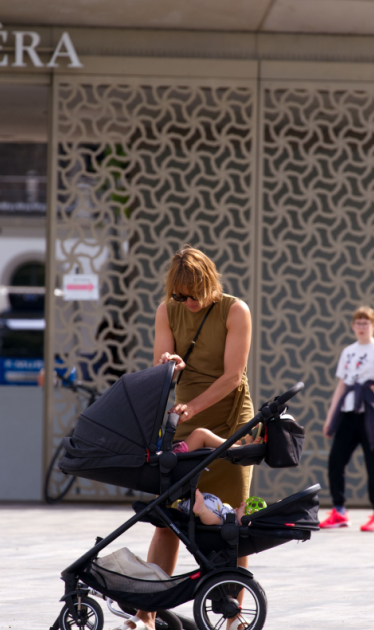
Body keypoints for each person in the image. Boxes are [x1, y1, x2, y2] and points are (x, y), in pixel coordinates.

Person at [129, 245, 254, 630]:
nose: (189, 302)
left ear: (209, 282)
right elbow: (163, 366)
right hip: (186, 418)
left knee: (233, 521)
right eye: (180, 295)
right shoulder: (167, 311)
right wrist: (172, 366)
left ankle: (234, 617)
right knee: (168, 519)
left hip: (229, 421)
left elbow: (232, 376)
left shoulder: (235, 310)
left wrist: (194, 406)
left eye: (194, 294)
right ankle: (146, 616)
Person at [319, 306, 374, 532]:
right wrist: (330, 417)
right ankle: (339, 510)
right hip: (348, 414)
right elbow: (341, 386)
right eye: (358, 323)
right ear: (353, 326)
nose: (362, 327)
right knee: (335, 461)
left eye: (366, 323)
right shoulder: (348, 351)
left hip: (370, 415)